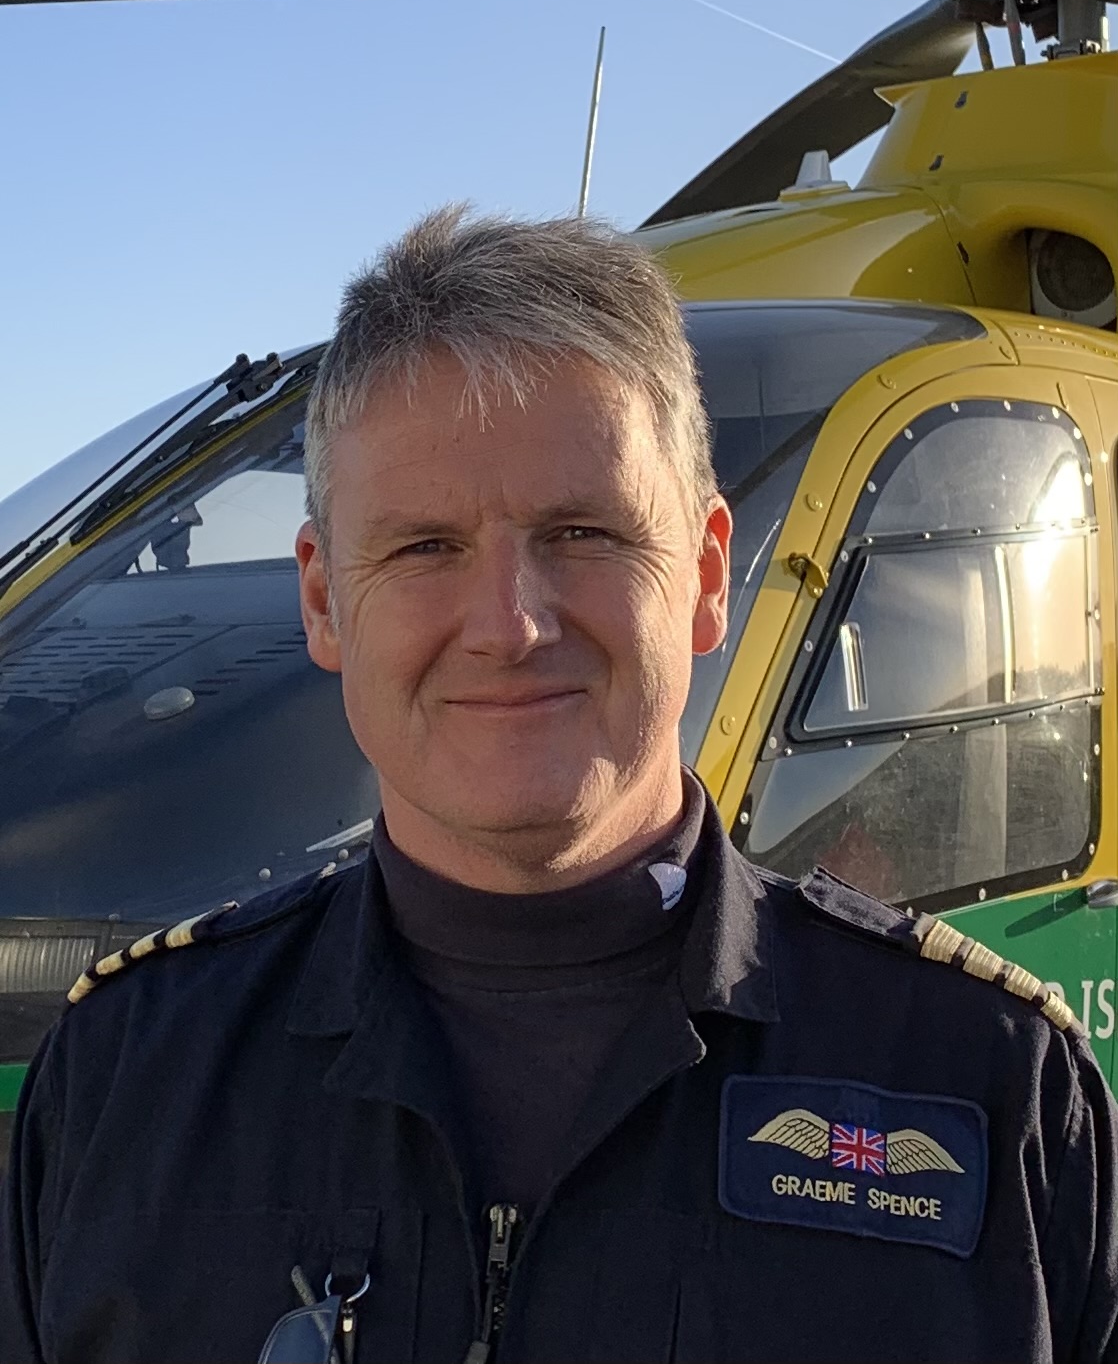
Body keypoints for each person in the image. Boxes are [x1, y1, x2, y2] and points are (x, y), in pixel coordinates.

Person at [1, 207, 1116, 1364]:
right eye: (424, 546)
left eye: (581, 532)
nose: (509, 625)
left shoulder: (992, 1087)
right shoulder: (127, 1081)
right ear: (325, 600)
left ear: (702, 574)